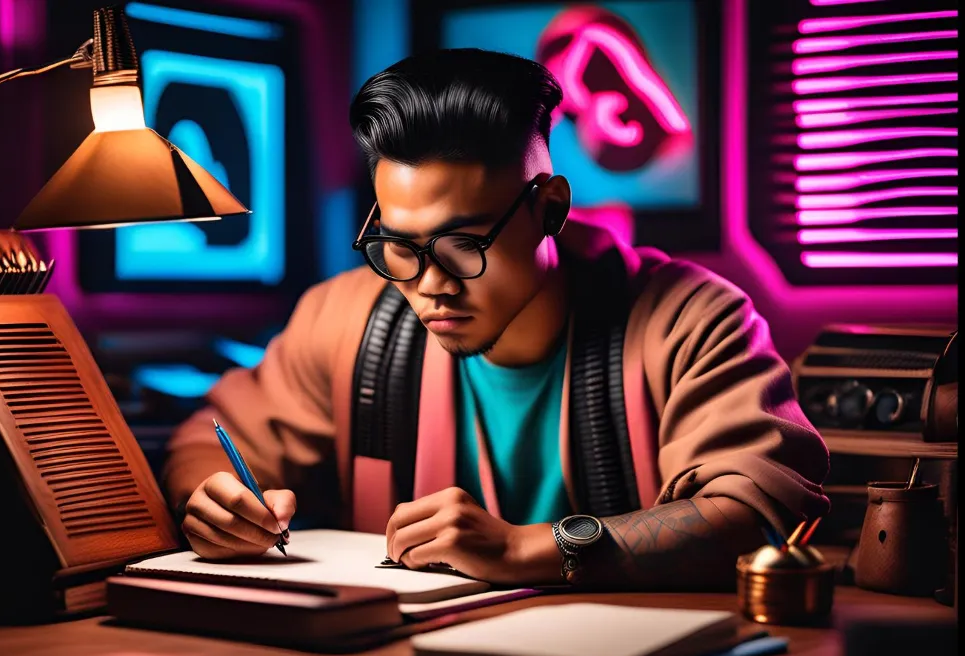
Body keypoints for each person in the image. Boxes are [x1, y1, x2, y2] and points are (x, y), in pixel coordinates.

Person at [162, 49, 830, 591]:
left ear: (550, 210)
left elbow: (764, 518)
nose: (429, 286)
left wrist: (525, 549)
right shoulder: (343, 315)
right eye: (398, 244)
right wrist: (213, 501)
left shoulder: (692, 318)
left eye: (464, 245)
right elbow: (207, 440)